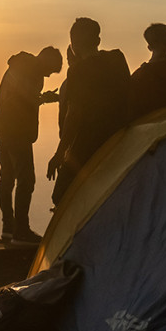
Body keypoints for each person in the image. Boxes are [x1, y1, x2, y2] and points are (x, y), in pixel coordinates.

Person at [47, 17, 131, 205]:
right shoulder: (118, 58)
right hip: (121, 139)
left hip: (89, 142)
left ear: (73, 44)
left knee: (62, 196)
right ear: (98, 40)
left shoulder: (78, 72)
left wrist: (60, 154)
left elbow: (75, 114)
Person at [0, 46, 62, 244]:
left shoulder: (21, 66)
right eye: (51, 70)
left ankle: (8, 228)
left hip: (3, 128)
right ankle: (21, 230)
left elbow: (20, 95)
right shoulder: (28, 69)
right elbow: (25, 95)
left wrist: (41, 98)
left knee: (7, 177)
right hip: (16, 131)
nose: (49, 75)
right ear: (45, 60)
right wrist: (43, 98)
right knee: (26, 179)